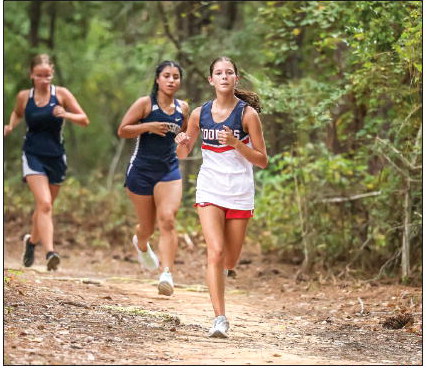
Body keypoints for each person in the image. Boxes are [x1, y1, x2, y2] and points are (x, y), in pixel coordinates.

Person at [175, 56, 268, 338]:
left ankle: (224, 273)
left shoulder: (247, 115)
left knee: (230, 260)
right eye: (219, 72)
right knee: (214, 251)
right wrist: (181, 141)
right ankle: (219, 318)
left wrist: (236, 144)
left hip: (240, 191)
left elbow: (262, 160)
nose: (224, 76)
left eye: (229, 72)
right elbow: (184, 153)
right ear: (211, 80)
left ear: (236, 78)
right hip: (210, 187)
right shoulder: (198, 114)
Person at [4, 53, 90, 271]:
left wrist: (66, 114)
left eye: (48, 75)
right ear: (31, 75)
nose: (44, 79)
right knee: (44, 204)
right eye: (40, 75)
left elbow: (84, 119)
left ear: (52, 73)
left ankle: (31, 242)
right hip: (32, 155)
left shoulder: (61, 94)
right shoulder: (25, 96)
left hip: (56, 156)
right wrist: (10, 126)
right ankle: (51, 252)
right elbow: (17, 113)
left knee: (44, 208)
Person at [118, 60, 189, 296]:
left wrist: (184, 143)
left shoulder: (183, 108)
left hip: (169, 170)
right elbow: (123, 130)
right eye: (167, 76)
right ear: (158, 79)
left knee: (167, 219)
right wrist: (147, 126)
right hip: (141, 171)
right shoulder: (145, 104)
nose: (171, 80)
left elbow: (184, 140)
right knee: (147, 227)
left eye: (176, 76)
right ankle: (141, 244)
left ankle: (167, 274)